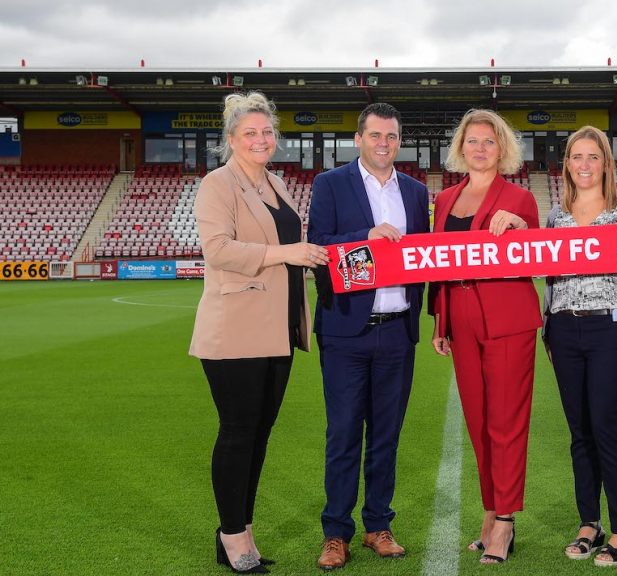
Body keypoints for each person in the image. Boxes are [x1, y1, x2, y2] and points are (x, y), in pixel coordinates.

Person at [190, 91, 327, 574]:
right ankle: (231, 535)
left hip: (278, 327)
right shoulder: (217, 184)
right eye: (250, 132)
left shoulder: (277, 183)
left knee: (260, 433)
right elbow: (218, 249)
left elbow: (291, 246)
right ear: (231, 139)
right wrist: (287, 254)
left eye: (267, 131)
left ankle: (242, 527)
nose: (261, 139)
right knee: (237, 432)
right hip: (235, 329)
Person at [307, 103, 430, 571]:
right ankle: (335, 532)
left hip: (398, 330)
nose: (384, 143)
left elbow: (426, 260)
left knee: (385, 436)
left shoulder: (417, 193)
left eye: (392, 136)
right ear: (358, 139)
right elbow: (319, 247)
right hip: (345, 333)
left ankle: (378, 524)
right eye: (376, 135)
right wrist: (366, 237)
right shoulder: (330, 184)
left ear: (400, 141)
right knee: (342, 434)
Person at [429, 109, 542, 564]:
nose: (480, 148)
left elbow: (537, 257)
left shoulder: (520, 198)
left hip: (507, 319)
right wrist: (441, 320)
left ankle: (506, 523)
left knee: (506, 422)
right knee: (477, 422)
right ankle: (491, 509)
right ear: (461, 147)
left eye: (489, 142)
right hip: (461, 319)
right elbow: (438, 263)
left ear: (503, 149)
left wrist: (521, 229)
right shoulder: (445, 198)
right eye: (473, 141)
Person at [542, 126, 617, 567]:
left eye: (593, 157)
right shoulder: (555, 217)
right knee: (580, 432)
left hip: (614, 328)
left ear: (606, 163)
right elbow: (550, 279)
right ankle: (590, 522)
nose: (584, 165)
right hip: (565, 331)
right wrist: (547, 329)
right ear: (567, 164)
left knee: (607, 427)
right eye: (576, 157)